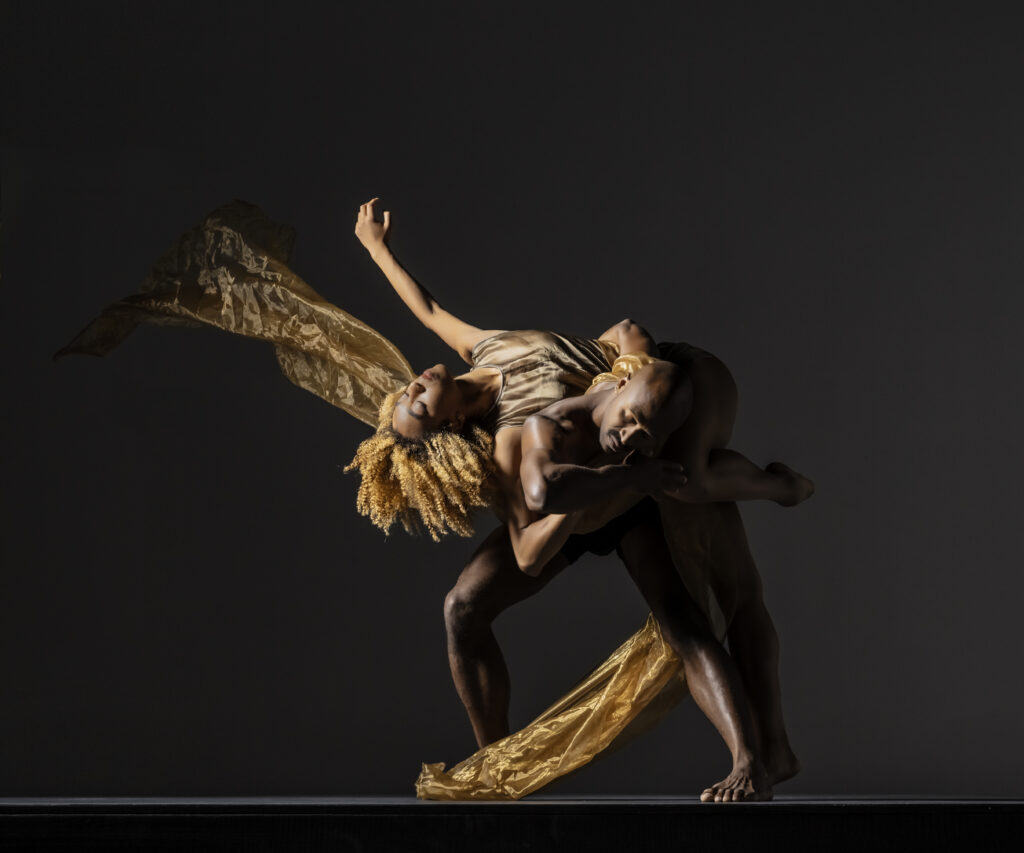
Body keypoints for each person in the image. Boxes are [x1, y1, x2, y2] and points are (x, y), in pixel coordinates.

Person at [347, 199, 804, 800]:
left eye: (404, 395)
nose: (412, 388)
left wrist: (375, 246)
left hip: (631, 478)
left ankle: (751, 761)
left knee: (685, 620)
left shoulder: (483, 350)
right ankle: (499, 769)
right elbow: (529, 552)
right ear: (452, 426)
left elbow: (428, 310)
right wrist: (598, 486)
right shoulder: (509, 440)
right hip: (591, 496)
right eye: (418, 407)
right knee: (462, 607)